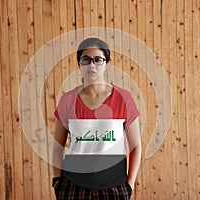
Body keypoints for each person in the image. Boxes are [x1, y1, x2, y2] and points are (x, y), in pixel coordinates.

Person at [52, 38, 141, 200]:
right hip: (73, 186)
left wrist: (130, 184)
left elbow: (135, 146)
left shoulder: (123, 98)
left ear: (107, 63)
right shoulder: (68, 100)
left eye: (98, 60)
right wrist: (57, 181)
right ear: (79, 63)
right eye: (86, 59)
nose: (92, 65)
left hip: (114, 187)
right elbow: (58, 146)